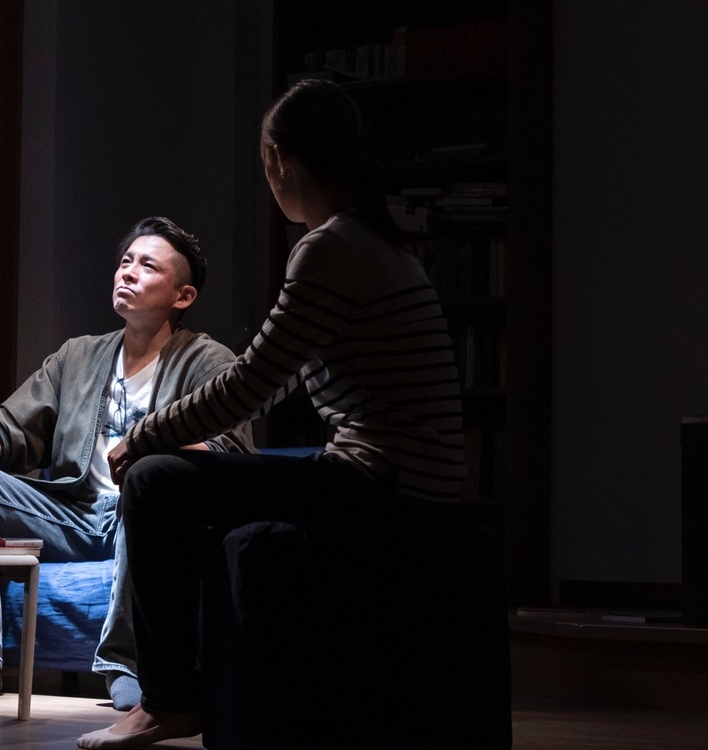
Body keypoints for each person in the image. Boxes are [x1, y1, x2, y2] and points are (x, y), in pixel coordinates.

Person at [78, 78, 466, 749]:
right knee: (197, 477)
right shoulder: (380, 240)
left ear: (281, 162)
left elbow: (249, 387)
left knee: (155, 480)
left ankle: (167, 700)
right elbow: (272, 378)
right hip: (407, 476)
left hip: (382, 481)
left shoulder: (330, 248)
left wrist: (144, 436)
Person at [0, 216, 255, 708]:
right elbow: (9, 428)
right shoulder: (79, 356)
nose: (128, 272)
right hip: (74, 512)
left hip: (149, 516)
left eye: (148, 266)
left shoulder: (208, 361)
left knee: (146, 481)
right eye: (125, 261)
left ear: (183, 296)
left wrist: (155, 452)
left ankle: (125, 664)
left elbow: (229, 453)